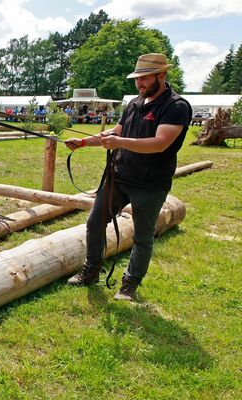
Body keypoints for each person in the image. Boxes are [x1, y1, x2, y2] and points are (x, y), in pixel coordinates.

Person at [64, 53, 192, 301]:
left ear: (162, 75)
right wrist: (83, 142)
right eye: (138, 79)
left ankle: (129, 285)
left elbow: (160, 143)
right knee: (94, 221)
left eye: (145, 79)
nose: (140, 84)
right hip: (119, 177)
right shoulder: (134, 103)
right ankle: (91, 270)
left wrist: (120, 142)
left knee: (142, 236)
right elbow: (116, 132)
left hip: (150, 183)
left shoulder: (176, 107)